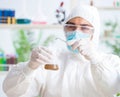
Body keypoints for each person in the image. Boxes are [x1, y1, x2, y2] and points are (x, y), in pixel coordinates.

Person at [3, 4, 120, 97]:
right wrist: (30, 67)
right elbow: (13, 93)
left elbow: (111, 88)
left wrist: (95, 59)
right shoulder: (51, 58)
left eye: (84, 27)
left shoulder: (111, 61)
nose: (76, 32)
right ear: (65, 29)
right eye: (71, 26)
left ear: (95, 33)